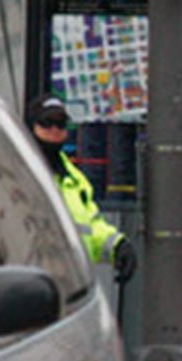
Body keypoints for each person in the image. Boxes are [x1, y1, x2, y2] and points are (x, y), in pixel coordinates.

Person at [28, 94, 135, 283]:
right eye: (47, 123)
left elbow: (91, 228)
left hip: (72, 286)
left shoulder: (76, 181)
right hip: (27, 287)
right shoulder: (16, 172)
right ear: (31, 127)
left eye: (61, 124)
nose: (54, 130)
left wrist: (117, 245)